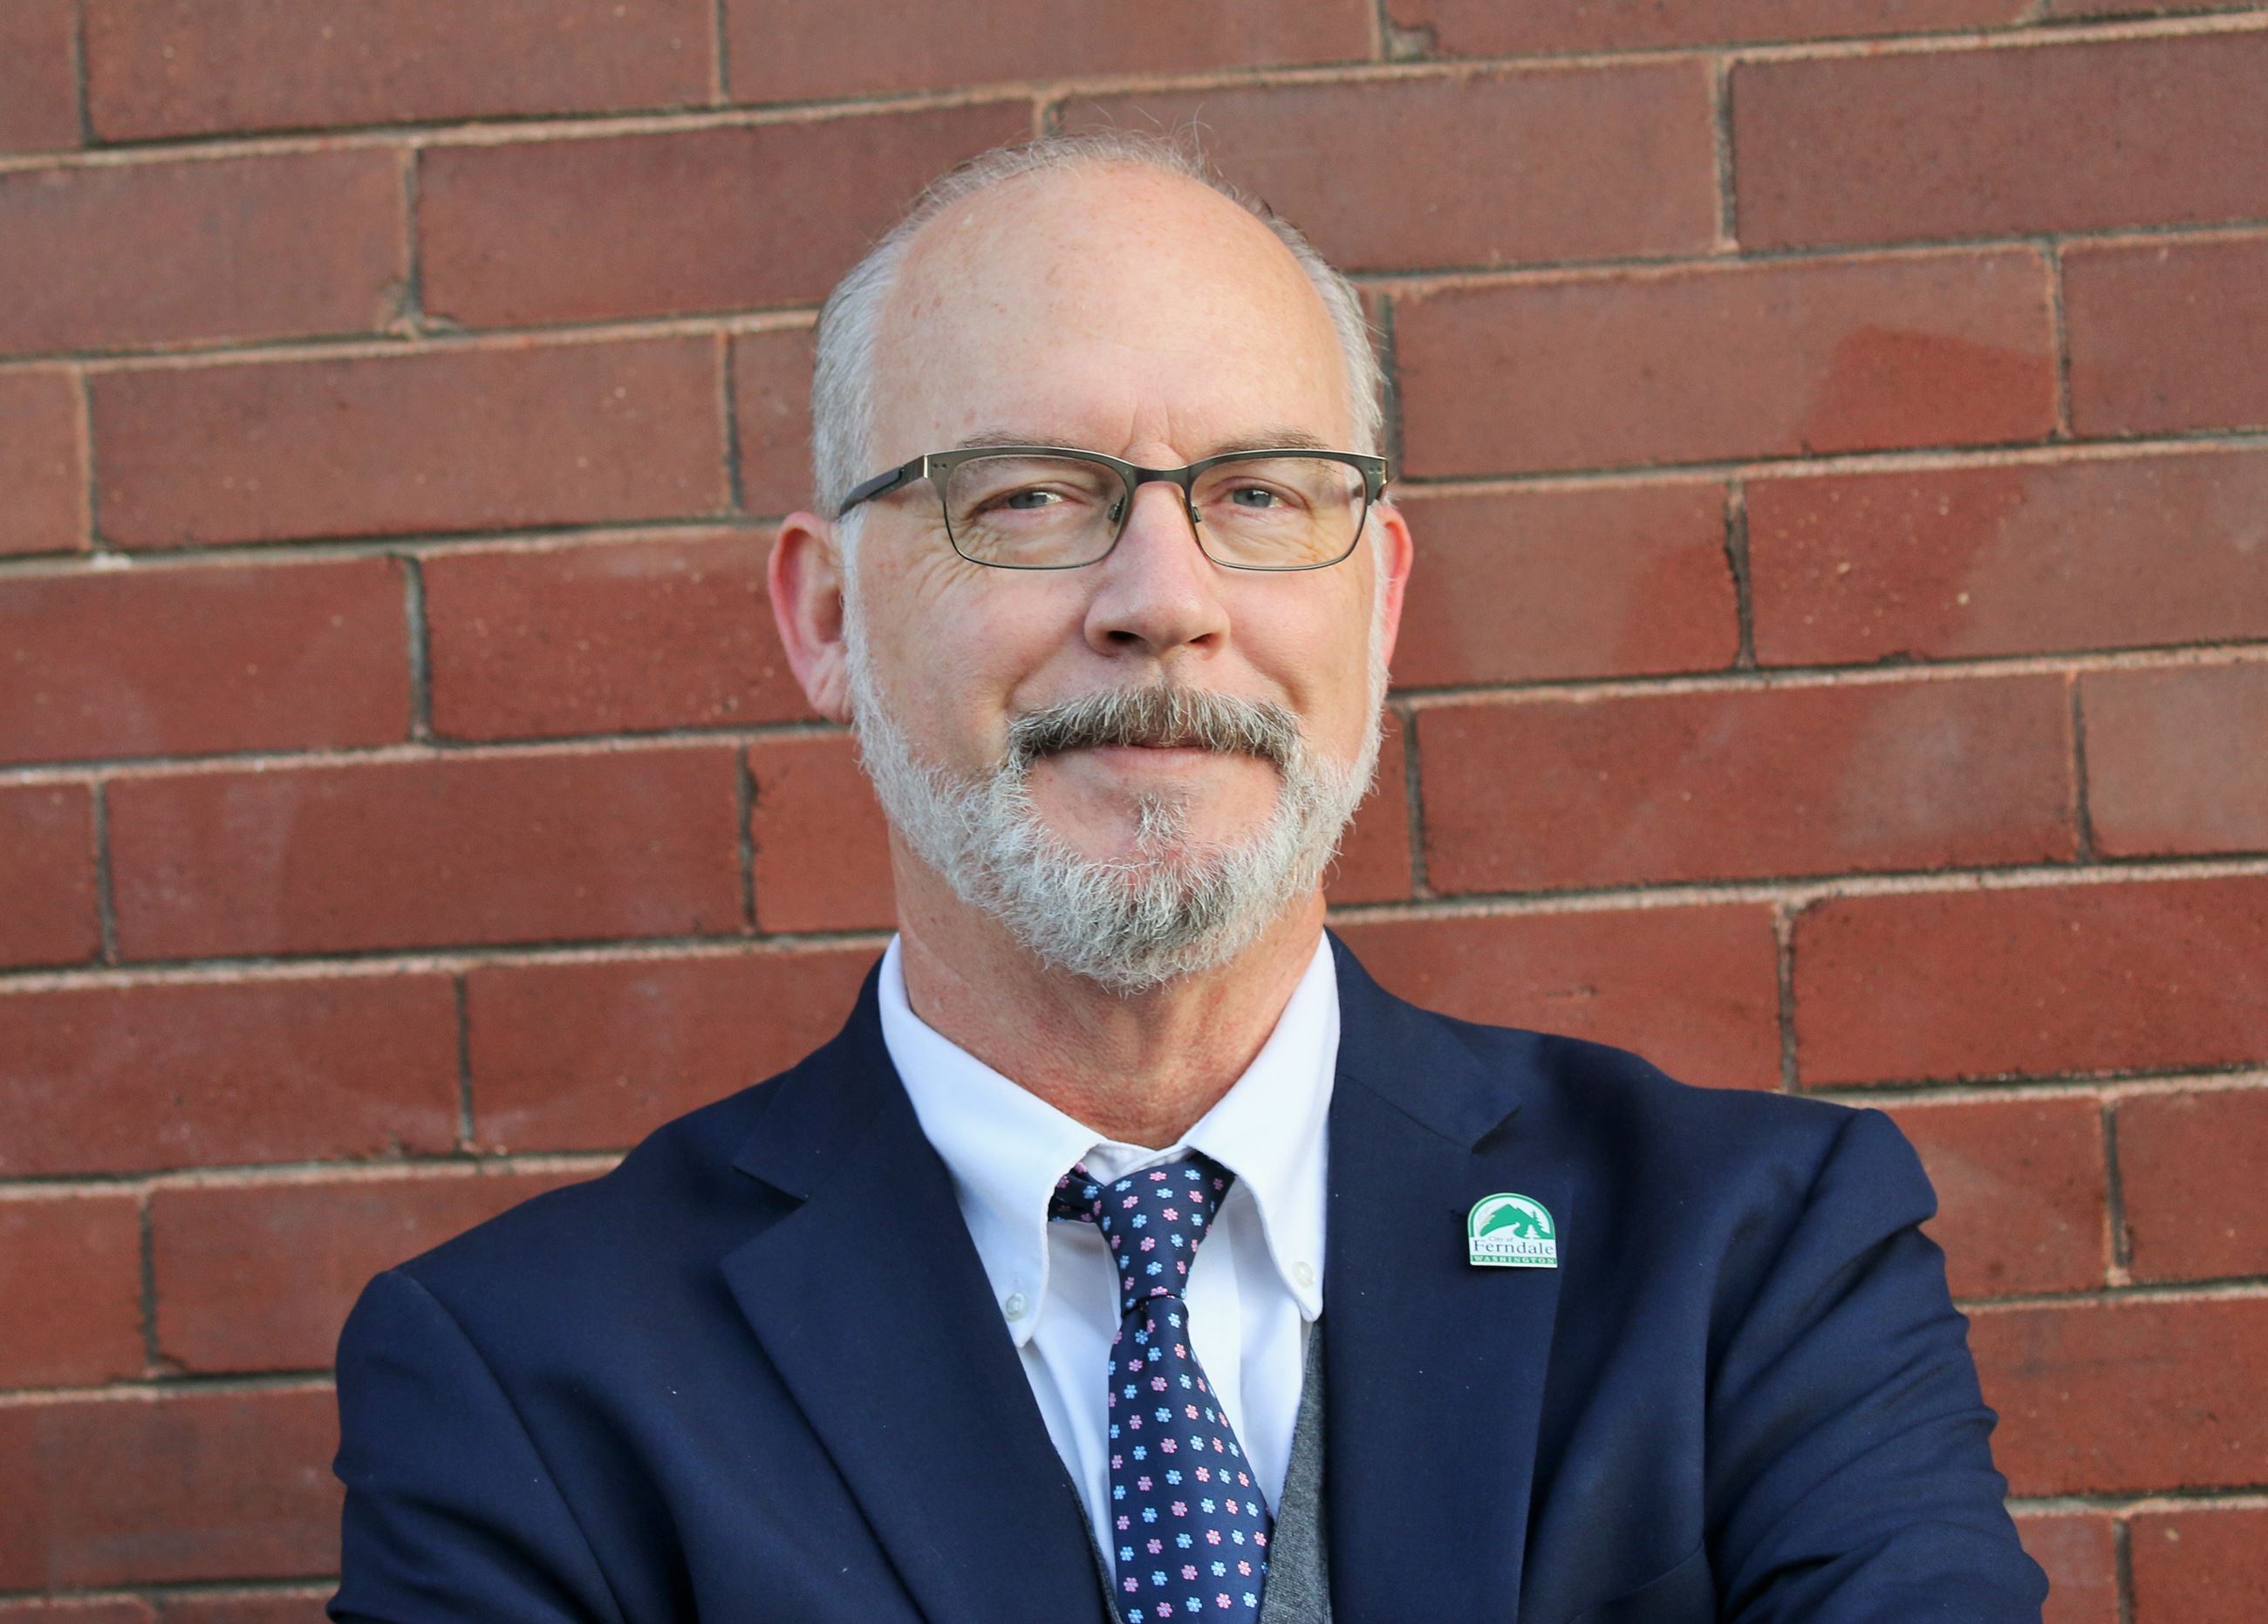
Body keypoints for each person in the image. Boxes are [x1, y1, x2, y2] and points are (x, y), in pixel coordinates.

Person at [330, 133, 2049, 1623]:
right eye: (1025, 497)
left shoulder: (1752, 1266)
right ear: (826, 616)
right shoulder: (530, 1383)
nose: (1164, 593)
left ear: (1374, 606)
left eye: (1258, 494)